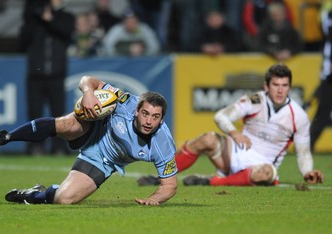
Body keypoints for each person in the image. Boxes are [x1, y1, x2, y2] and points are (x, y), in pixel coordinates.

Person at [0, 75, 178, 206]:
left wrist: (154, 200)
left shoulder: (163, 142)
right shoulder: (125, 102)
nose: (148, 121)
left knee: (65, 199)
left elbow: (169, 185)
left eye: (155, 117)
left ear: (161, 120)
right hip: (93, 128)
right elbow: (86, 80)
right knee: (69, 124)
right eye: (145, 113)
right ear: (136, 111)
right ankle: (6, 137)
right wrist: (88, 93)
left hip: (103, 161)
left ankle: (33, 195)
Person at [138, 64, 324, 187]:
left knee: (266, 173)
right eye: (276, 85)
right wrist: (234, 134)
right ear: (266, 86)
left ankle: (211, 181)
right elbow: (221, 116)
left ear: (289, 87)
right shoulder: (255, 101)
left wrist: (307, 171)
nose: (280, 90)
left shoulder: (298, 116)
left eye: (285, 85)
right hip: (236, 152)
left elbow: (303, 152)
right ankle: (161, 179)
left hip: (262, 164)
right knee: (207, 138)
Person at [20, 0, 75, 155]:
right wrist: (35, 17)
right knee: (34, 113)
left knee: (58, 114)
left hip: (56, 75)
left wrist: (50, 19)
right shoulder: (33, 20)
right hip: (35, 76)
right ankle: (35, 146)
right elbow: (23, 40)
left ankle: (58, 146)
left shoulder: (66, 17)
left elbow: (66, 32)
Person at [309, 0, 332, 151]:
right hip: (329, 71)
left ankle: (307, 145)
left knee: (323, 111)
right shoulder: (327, 10)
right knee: (324, 111)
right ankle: (307, 146)